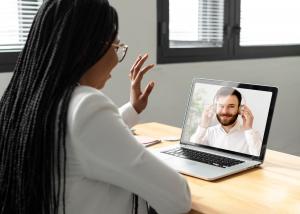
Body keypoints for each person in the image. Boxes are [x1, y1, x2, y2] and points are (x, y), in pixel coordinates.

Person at [0, 0, 191, 214]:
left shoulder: (24, 103)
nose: (117, 60)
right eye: (116, 46)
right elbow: (178, 198)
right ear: (86, 48)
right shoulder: (86, 105)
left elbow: (79, 140)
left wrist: (133, 108)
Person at [190, 86, 262, 156]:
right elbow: (191, 151)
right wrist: (203, 125)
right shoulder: (209, 132)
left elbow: (258, 158)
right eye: (221, 106)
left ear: (239, 109)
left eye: (231, 106)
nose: (225, 111)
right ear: (215, 108)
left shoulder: (251, 135)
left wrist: (248, 129)